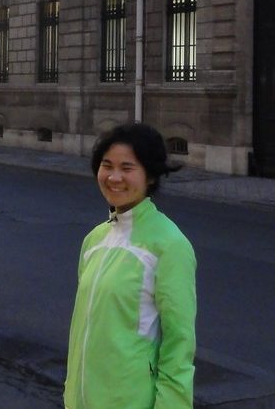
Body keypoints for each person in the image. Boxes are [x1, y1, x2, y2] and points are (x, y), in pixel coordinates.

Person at [64, 122, 197, 409]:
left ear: (149, 175)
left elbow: (179, 345)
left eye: (127, 168)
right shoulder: (94, 240)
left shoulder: (169, 244)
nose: (114, 177)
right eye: (106, 165)